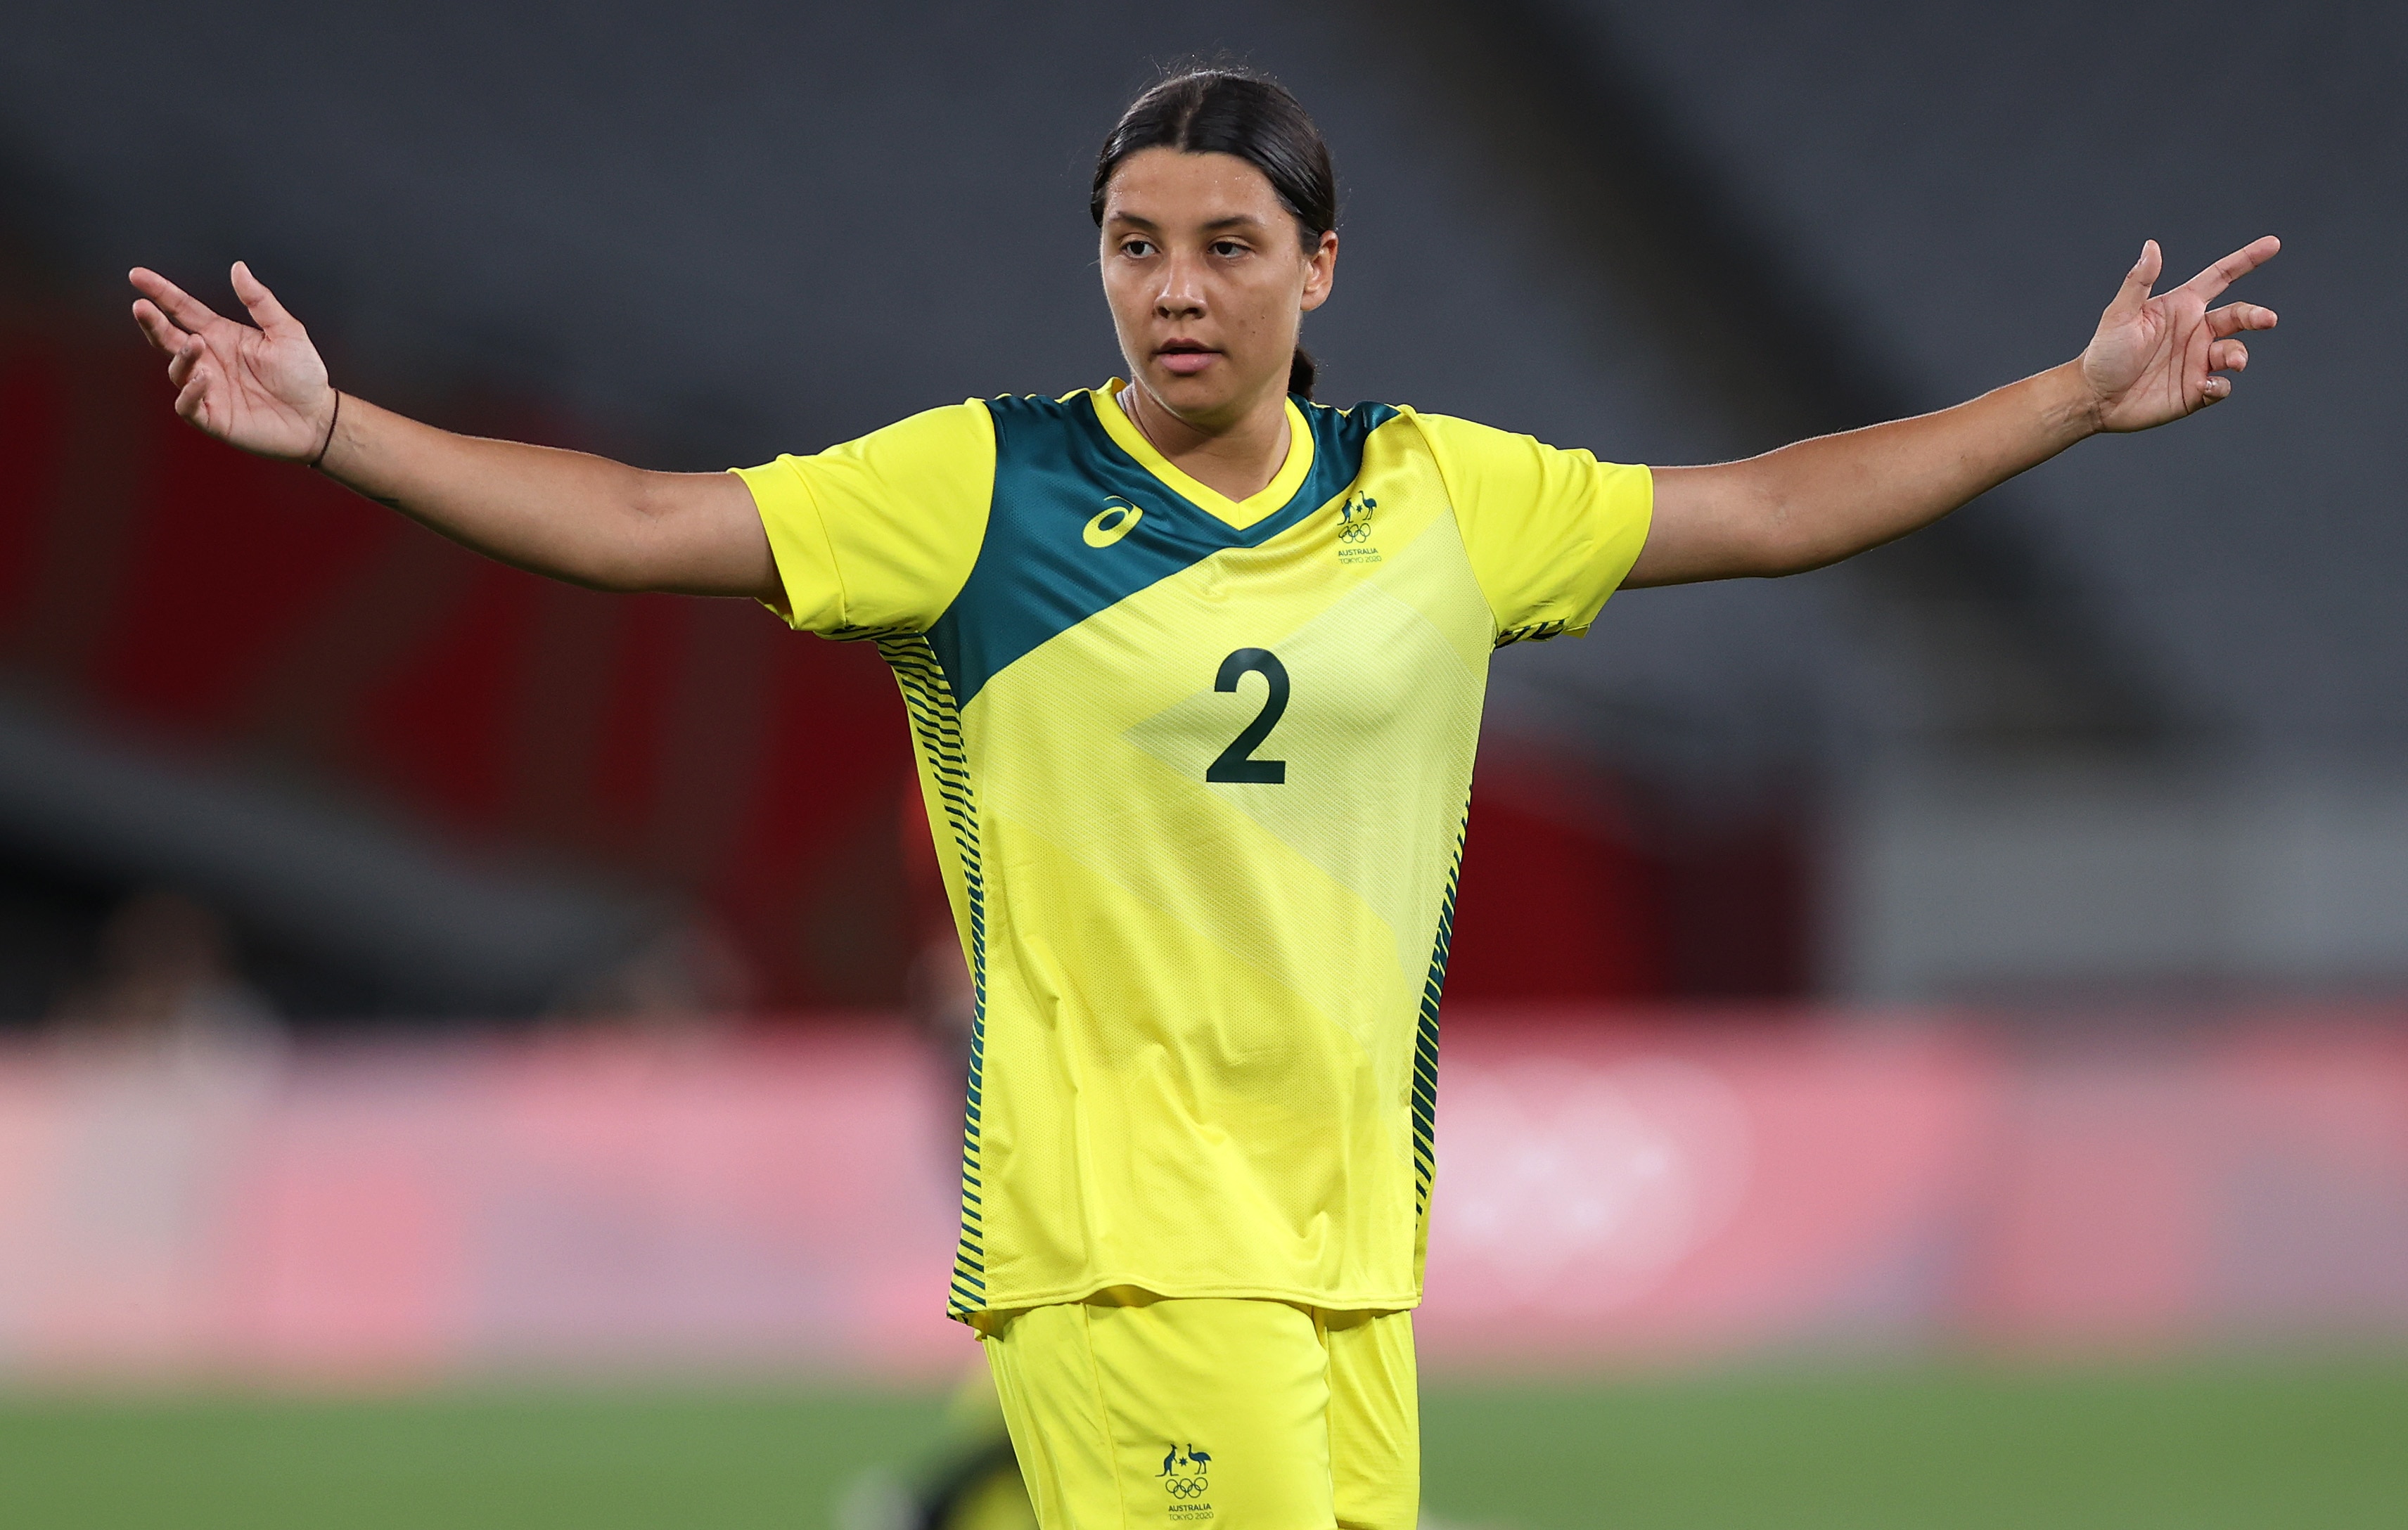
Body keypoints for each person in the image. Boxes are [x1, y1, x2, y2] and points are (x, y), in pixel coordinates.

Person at [129, 64, 2276, 1530]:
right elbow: (636, 515)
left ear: (1322, 268)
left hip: (1350, 1257)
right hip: (1133, 1249)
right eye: (1135, 242)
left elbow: (1782, 502)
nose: (1173, 285)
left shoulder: (1448, 499)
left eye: (1227, 244)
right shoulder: (982, 487)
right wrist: (345, 435)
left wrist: (2071, 403)